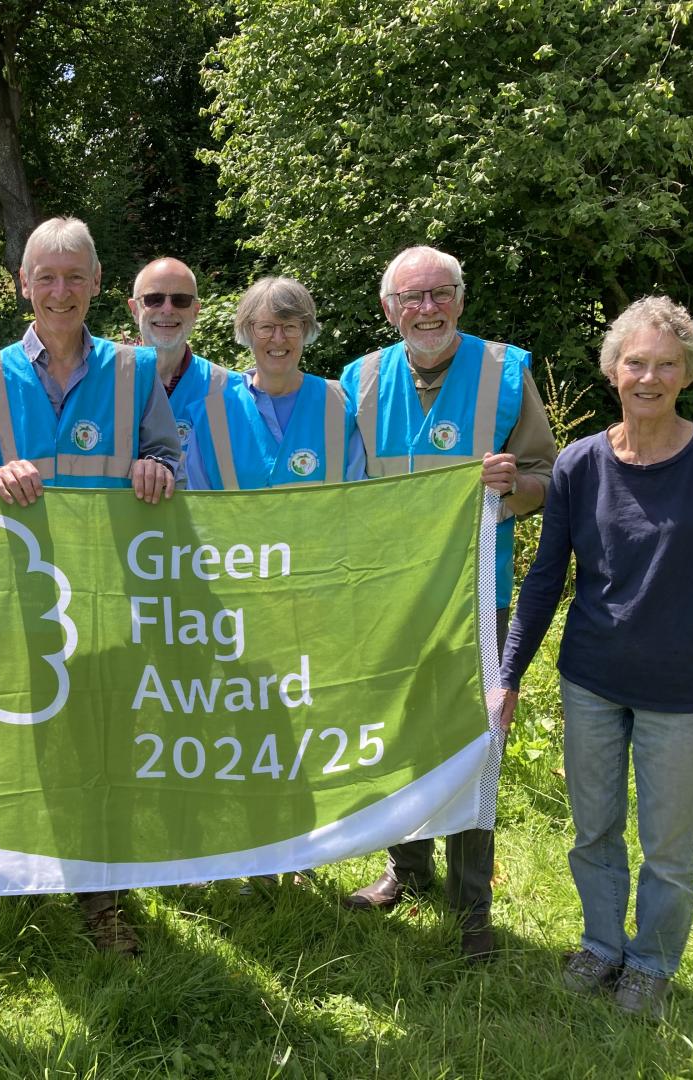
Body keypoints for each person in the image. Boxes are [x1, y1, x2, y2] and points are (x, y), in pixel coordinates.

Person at [498, 297, 693, 1017]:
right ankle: (602, 945)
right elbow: (547, 576)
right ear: (614, 369)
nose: (649, 376)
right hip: (592, 683)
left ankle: (651, 964)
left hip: (686, 691)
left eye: (666, 364)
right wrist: (508, 676)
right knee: (594, 829)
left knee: (669, 848)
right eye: (635, 362)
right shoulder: (580, 463)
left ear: (687, 374)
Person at [0, 216, 182, 953]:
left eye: (74, 276)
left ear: (97, 284)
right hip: (10, 600)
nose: (60, 290)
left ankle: (100, 898)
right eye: (45, 276)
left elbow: (168, 458)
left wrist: (158, 471)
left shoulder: (136, 369)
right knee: (10, 747)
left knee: (102, 753)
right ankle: (5, 887)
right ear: (24, 285)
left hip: (106, 599)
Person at [338, 245, 558, 961]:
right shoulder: (358, 380)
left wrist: (509, 486)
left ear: (460, 300)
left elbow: (547, 479)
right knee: (399, 737)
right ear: (388, 308)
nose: (426, 308)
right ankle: (406, 870)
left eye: (440, 293)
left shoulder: (505, 370)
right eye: (411, 297)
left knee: (473, 745)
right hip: (386, 595)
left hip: (474, 594)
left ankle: (472, 909)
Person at [183, 276, 366, 490]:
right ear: (247, 331)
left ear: (305, 330)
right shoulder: (211, 416)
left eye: (290, 326)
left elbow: (358, 499)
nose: (278, 339)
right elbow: (199, 510)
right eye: (266, 327)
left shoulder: (340, 403)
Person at [126, 257, 228, 442]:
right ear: (134, 310)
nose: (167, 309)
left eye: (180, 300)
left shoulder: (226, 388)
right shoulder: (103, 380)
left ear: (195, 311)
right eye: (154, 299)